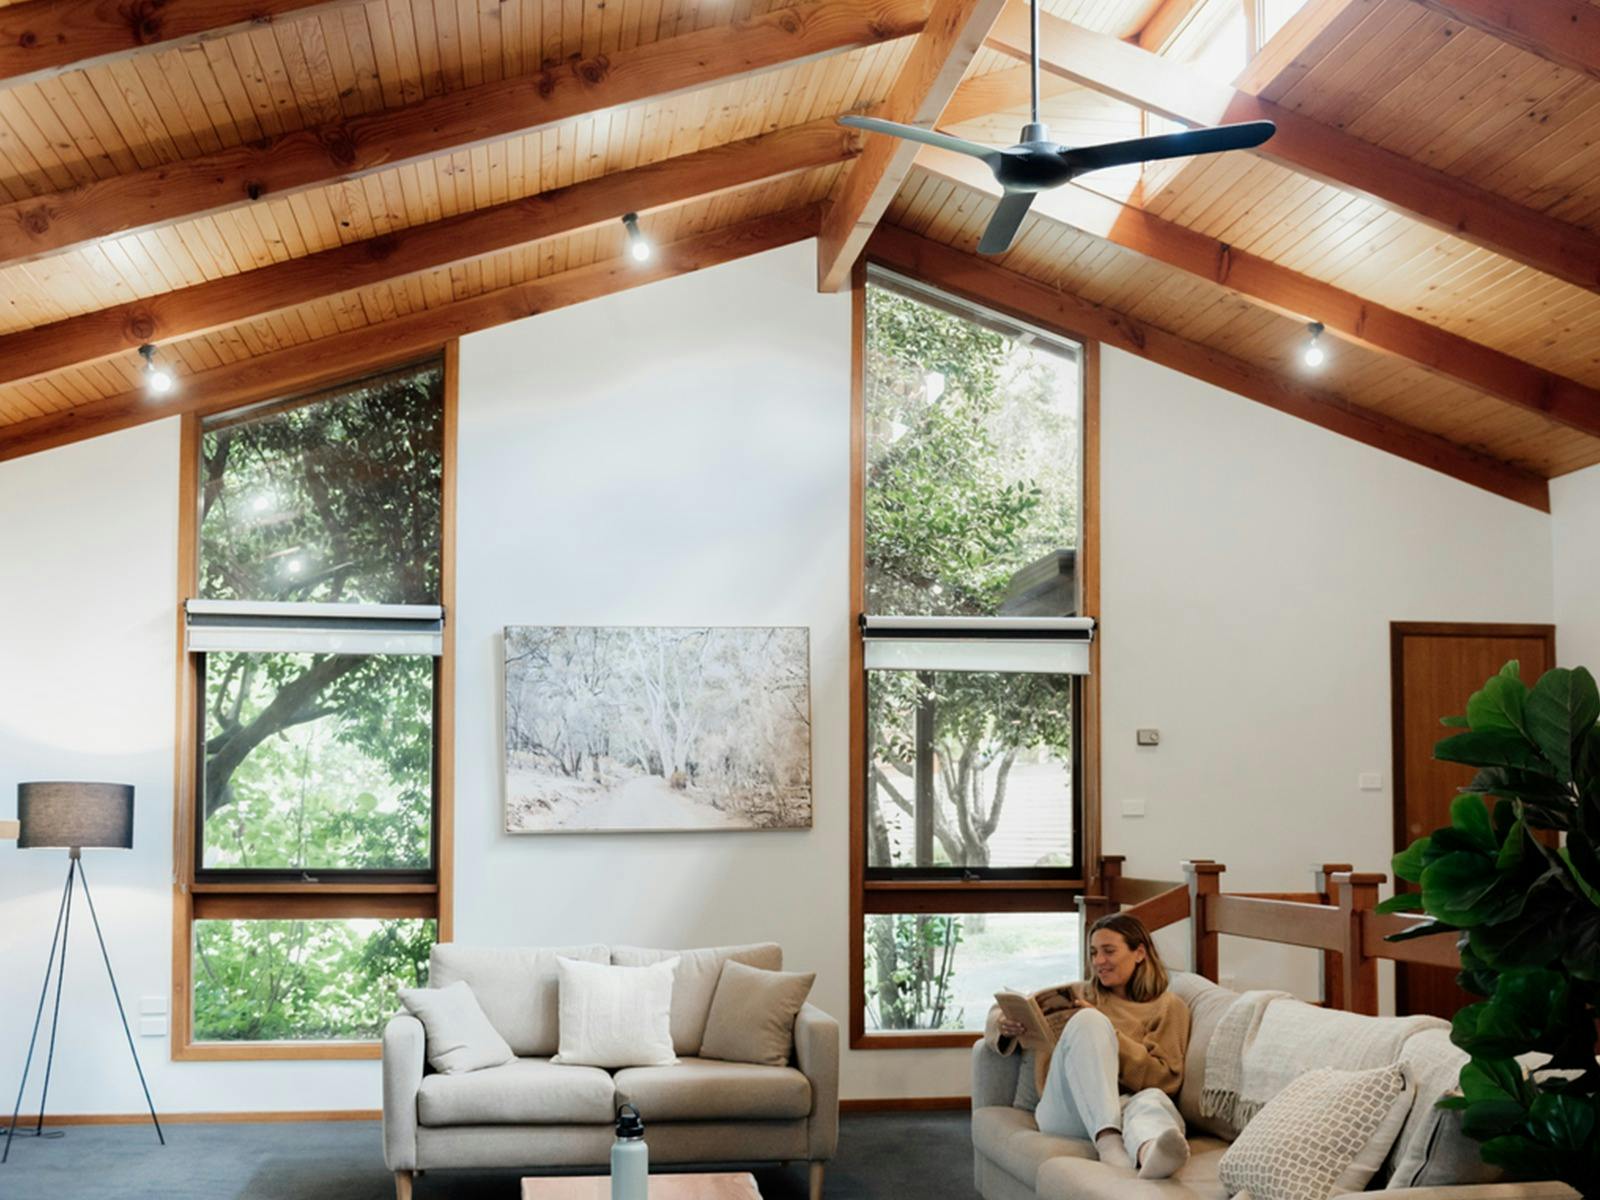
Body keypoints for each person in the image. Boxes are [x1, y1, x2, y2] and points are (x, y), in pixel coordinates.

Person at [984, 913, 1191, 1179]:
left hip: (1124, 1106)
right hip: (1066, 1110)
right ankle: (1107, 1138)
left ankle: (1150, 1153)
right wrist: (1003, 1023)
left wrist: (1112, 1037)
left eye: (1108, 951)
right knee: (1089, 1019)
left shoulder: (1169, 1007)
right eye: (1094, 952)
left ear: (1139, 953)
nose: (1098, 962)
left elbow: (1166, 1079)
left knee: (1153, 1100)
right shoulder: (1080, 995)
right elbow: (997, 1011)